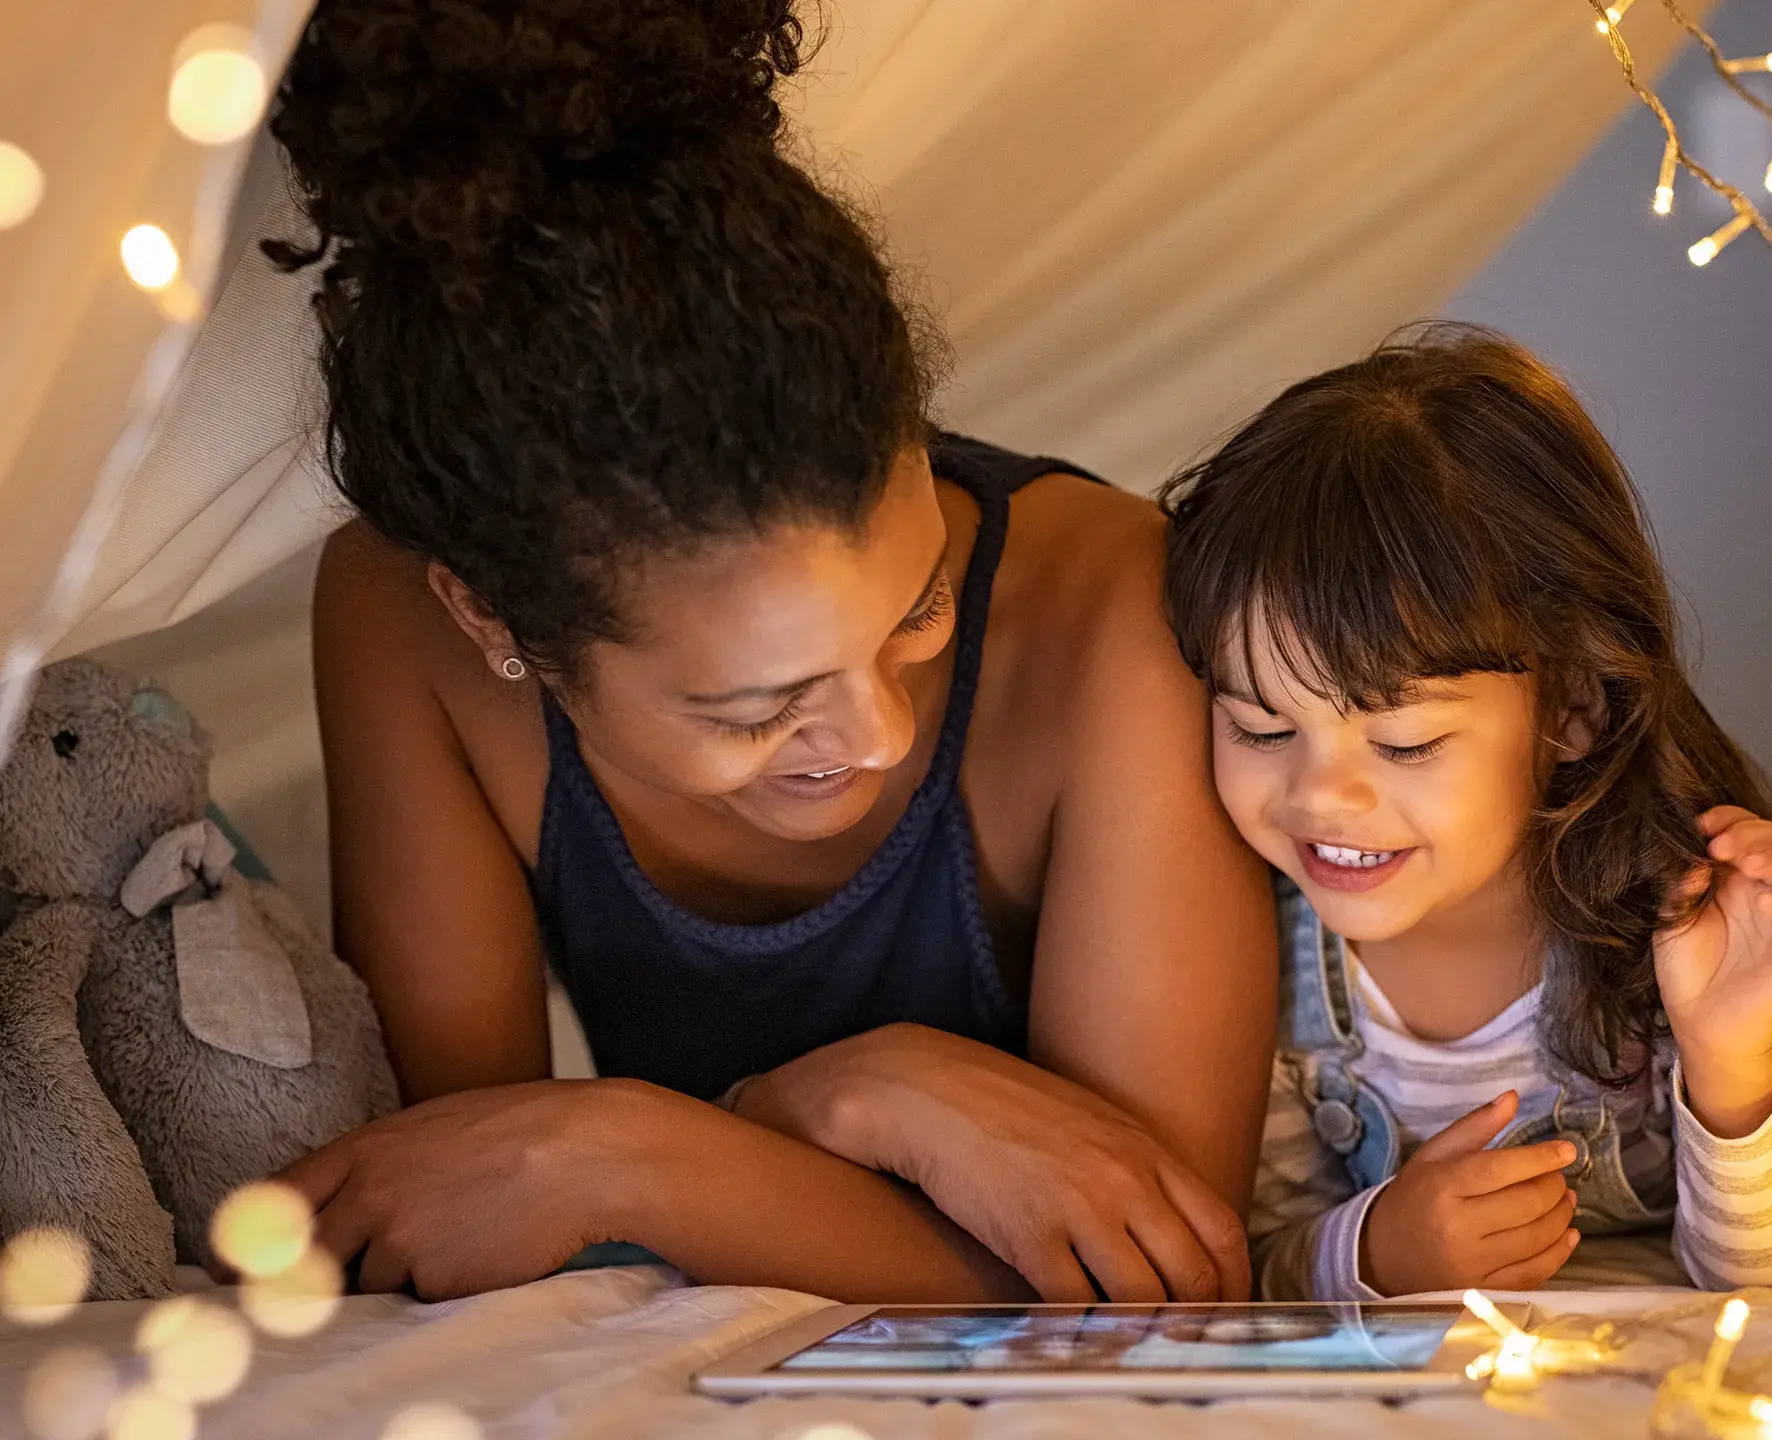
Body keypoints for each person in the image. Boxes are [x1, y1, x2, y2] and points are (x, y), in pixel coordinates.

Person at [267, 0, 1276, 1304]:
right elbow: (467, 1201)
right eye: (760, 707)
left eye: (920, 608)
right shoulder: (399, 622)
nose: (881, 733)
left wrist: (652, 1144)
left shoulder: (1115, 617)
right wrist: (826, 1113)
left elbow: (1162, 1284)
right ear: (495, 623)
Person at [1156, 324, 1772, 1300]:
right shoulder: (1257, 968)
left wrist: (1732, 1060)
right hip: (1763, 872)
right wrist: (1371, 1252)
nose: (1319, 794)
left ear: (1574, 709)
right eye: (1260, 728)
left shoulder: (1688, 936)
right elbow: (1250, 1249)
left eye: (1406, 743)